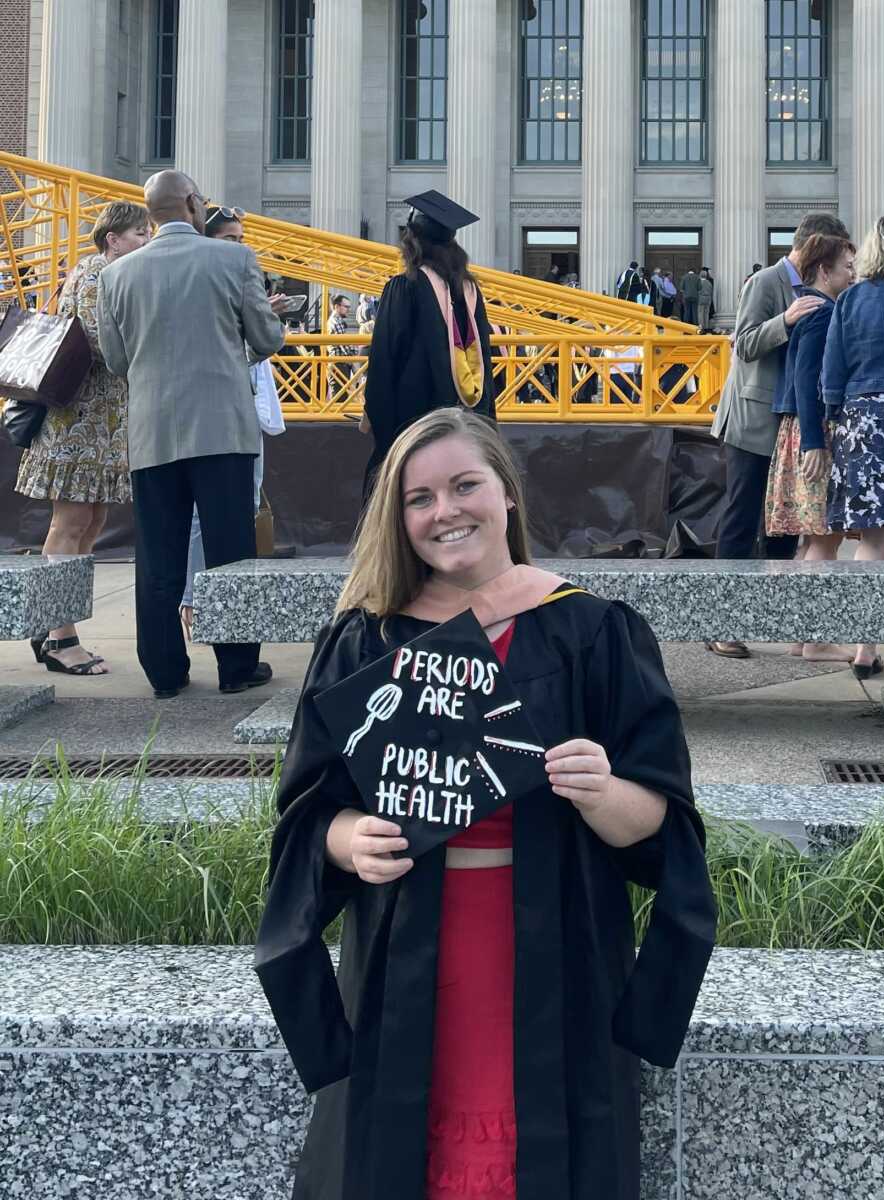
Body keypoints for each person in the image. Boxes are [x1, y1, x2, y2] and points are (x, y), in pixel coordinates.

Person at [254, 406, 716, 1200]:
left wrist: (604, 794)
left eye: (465, 485)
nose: (446, 511)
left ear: (506, 492)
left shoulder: (591, 632)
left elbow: (662, 825)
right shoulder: (367, 640)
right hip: (404, 954)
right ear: (398, 520)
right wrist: (349, 837)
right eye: (419, 498)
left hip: (557, 950)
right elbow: (308, 812)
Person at [97, 170, 284, 698]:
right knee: (230, 552)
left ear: (150, 212)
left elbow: (115, 360)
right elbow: (267, 337)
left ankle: (164, 672)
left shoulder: (115, 277)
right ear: (192, 204)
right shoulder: (234, 259)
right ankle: (236, 667)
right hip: (222, 428)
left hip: (152, 431)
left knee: (158, 555)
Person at [707, 211, 851, 659]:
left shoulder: (818, 290)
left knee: (785, 529)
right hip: (752, 422)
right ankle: (721, 624)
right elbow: (743, 342)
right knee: (740, 517)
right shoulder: (765, 283)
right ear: (812, 247)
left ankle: (784, 621)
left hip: (783, 425)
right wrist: (785, 320)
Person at [16, 200, 151, 676]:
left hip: (100, 423)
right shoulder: (96, 274)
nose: (146, 240)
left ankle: (55, 625)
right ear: (112, 238)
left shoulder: (113, 274)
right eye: (138, 233)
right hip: (78, 424)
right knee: (71, 525)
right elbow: (100, 342)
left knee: (89, 525)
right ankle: (59, 636)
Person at [179, 204, 289, 637]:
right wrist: (266, 326)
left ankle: (226, 608)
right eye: (230, 240)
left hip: (242, 411)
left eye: (242, 240)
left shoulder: (237, 278)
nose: (240, 248)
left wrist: (265, 315)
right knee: (199, 517)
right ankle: (193, 601)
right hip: (210, 414)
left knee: (243, 507)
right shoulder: (202, 284)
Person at [362, 190, 496, 492]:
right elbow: (486, 358)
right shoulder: (470, 291)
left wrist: (382, 431)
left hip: (415, 424)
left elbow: (384, 360)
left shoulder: (404, 287)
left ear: (412, 241)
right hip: (467, 421)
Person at [765, 233, 856, 662]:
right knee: (825, 537)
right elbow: (807, 378)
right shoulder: (823, 312)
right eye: (847, 267)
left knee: (811, 540)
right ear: (825, 270)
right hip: (813, 430)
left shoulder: (809, 308)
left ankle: (805, 635)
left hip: (800, 429)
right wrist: (817, 443)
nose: (853, 274)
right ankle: (816, 637)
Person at [822, 214, 884, 680]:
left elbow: (832, 374)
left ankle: (863, 650)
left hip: (866, 422)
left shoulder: (850, 300)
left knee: (873, 542)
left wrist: (836, 420)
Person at [326, 294, 356, 400]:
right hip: (339, 364)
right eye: (346, 307)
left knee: (339, 397)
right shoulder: (336, 322)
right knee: (340, 399)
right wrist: (356, 354)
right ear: (336, 306)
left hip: (337, 364)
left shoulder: (334, 321)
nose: (348, 310)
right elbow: (345, 346)